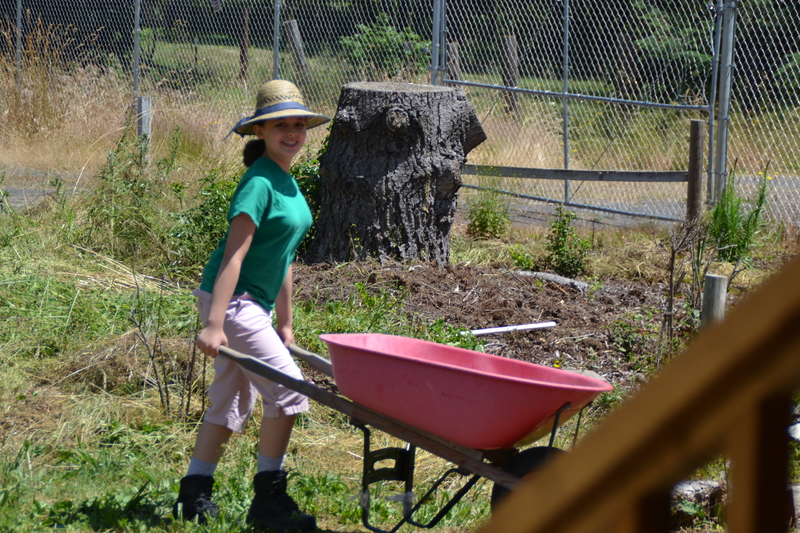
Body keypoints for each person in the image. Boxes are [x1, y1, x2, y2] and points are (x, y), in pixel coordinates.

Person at [173, 79, 329, 532]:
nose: (293, 132)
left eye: (299, 124)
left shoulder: (286, 181)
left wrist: (285, 322)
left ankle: (194, 493)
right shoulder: (258, 183)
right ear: (261, 131)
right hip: (234, 303)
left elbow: (281, 256)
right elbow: (234, 256)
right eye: (281, 124)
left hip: (251, 307)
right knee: (291, 392)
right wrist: (214, 323)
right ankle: (268, 499)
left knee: (230, 401)